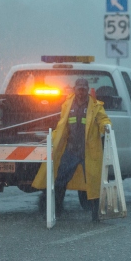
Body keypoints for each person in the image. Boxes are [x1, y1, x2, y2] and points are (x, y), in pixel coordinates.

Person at [32, 77, 112, 222]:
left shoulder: (95, 106)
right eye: (79, 89)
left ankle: (96, 215)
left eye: (83, 89)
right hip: (71, 150)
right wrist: (51, 138)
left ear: (87, 90)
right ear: (74, 89)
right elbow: (62, 125)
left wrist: (106, 127)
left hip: (89, 151)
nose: (81, 92)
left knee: (93, 183)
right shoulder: (67, 104)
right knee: (60, 180)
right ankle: (55, 210)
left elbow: (102, 119)